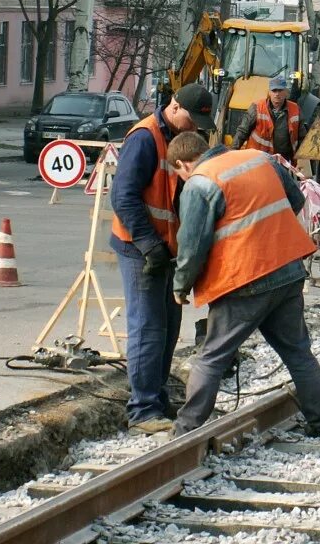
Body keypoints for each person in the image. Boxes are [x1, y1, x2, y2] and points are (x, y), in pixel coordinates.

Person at [166, 131, 320, 440]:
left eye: (178, 173)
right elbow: (296, 199)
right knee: (299, 354)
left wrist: (181, 286)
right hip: (287, 271)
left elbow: (192, 246)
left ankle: (184, 432)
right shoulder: (259, 158)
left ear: (183, 164)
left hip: (243, 281)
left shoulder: (200, 182)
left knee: (211, 357)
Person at [110, 83, 216, 435]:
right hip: (141, 247)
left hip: (165, 249)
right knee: (148, 327)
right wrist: (149, 243)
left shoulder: (176, 137)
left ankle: (155, 397)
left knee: (168, 328)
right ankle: (142, 409)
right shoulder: (144, 138)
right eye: (193, 118)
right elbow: (123, 197)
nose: (196, 127)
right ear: (174, 107)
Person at [232, 74, 307, 164]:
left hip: (282, 161)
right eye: (274, 90)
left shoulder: (295, 109)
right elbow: (242, 131)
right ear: (269, 92)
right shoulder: (257, 107)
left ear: (286, 92)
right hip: (258, 160)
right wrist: (232, 154)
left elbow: (303, 138)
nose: (277, 94)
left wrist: (304, 163)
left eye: (280, 90)